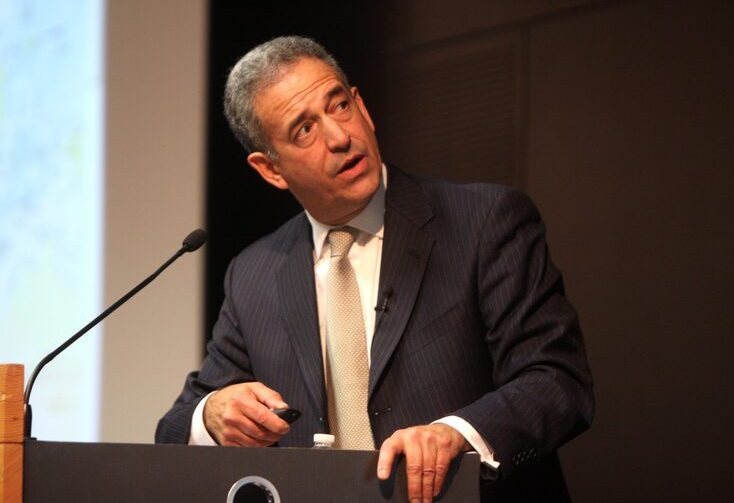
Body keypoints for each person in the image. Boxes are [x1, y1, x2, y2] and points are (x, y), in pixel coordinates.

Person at [156, 36, 594, 502]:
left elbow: (557, 380)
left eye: (340, 105)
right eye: (304, 130)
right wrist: (212, 415)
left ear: (362, 106)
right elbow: (175, 429)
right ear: (271, 170)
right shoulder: (254, 274)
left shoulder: (483, 222)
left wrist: (458, 434)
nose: (339, 137)